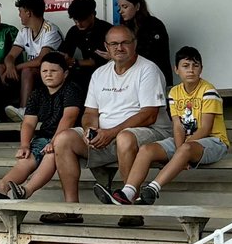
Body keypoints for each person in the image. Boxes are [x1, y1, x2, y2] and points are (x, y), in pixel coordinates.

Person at [43, 25, 168, 225]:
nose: (119, 48)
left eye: (125, 43)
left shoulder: (148, 69)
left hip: (149, 132)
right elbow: (91, 113)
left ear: (134, 44)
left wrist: (111, 133)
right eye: (114, 44)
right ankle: (71, 209)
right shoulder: (100, 73)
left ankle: (132, 209)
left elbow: (149, 115)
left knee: (125, 137)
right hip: (108, 135)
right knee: (63, 138)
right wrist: (90, 130)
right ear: (106, 47)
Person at [99, 47, 229, 209]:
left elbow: (205, 129)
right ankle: (128, 192)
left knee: (186, 148)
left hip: (213, 142)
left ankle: (152, 190)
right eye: (185, 66)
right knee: (146, 149)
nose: (190, 70)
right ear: (176, 69)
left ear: (201, 69)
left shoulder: (208, 91)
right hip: (186, 143)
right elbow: (177, 125)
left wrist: (181, 153)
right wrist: (180, 150)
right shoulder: (174, 92)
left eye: (195, 66)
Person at [0, 52, 83, 199]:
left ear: (65, 73)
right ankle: (1, 187)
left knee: (51, 154)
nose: (48, 75)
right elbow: (28, 123)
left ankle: (26, 191)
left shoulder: (72, 89)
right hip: (45, 137)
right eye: (44, 71)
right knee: (27, 156)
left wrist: (53, 141)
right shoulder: (37, 94)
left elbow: (69, 117)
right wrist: (24, 145)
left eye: (54, 71)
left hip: (69, 138)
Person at [1, 0, 63, 118]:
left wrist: (16, 67)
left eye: (20, 12)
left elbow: (41, 60)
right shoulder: (24, 31)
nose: (19, 15)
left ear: (28, 13)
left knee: (27, 71)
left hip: (50, 72)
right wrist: (9, 66)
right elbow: (10, 56)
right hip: (32, 73)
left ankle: (24, 110)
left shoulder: (50, 30)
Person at [57, 0, 113, 98]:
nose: (78, 24)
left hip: (106, 71)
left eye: (82, 20)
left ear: (92, 15)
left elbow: (98, 60)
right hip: (83, 71)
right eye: (75, 20)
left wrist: (75, 62)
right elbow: (64, 51)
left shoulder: (107, 30)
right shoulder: (74, 31)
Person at [116, 0, 173, 86]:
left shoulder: (154, 26)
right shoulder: (125, 27)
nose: (121, 11)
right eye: (119, 7)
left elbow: (150, 55)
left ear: (137, 6)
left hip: (154, 77)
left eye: (125, 7)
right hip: (131, 78)